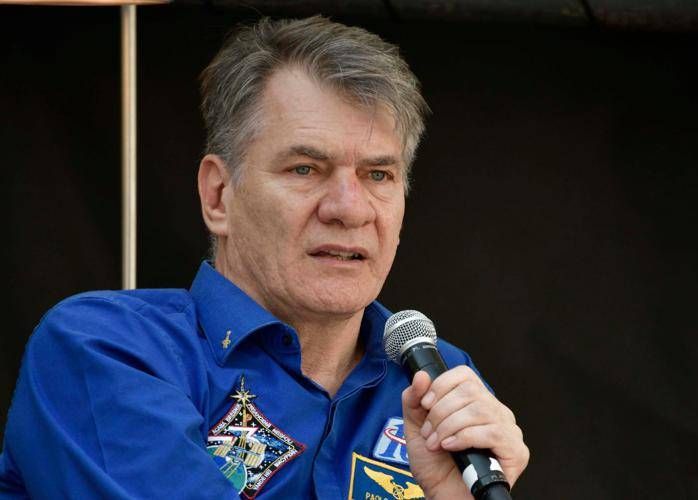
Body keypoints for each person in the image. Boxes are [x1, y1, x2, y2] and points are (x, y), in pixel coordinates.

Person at [0, 16, 528, 499]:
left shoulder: (439, 380)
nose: (349, 208)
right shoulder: (106, 348)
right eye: (305, 169)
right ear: (218, 195)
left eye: (378, 175)